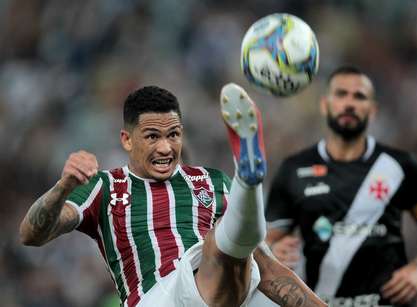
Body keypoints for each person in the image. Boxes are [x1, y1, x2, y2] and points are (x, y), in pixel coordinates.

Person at [19, 83, 326, 307]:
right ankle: (248, 181)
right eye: (152, 136)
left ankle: (248, 178)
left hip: (223, 287)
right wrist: (63, 188)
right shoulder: (104, 186)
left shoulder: (211, 181)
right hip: (157, 297)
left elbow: (270, 269)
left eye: (173, 135)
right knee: (221, 244)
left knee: (246, 256)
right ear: (126, 140)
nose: (166, 147)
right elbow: (31, 234)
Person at [265, 66, 417, 307]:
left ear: (373, 110)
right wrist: (274, 250)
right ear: (325, 105)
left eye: (359, 96)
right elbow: (268, 242)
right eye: (341, 94)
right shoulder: (294, 169)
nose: (349, 103)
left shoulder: (400, 165)